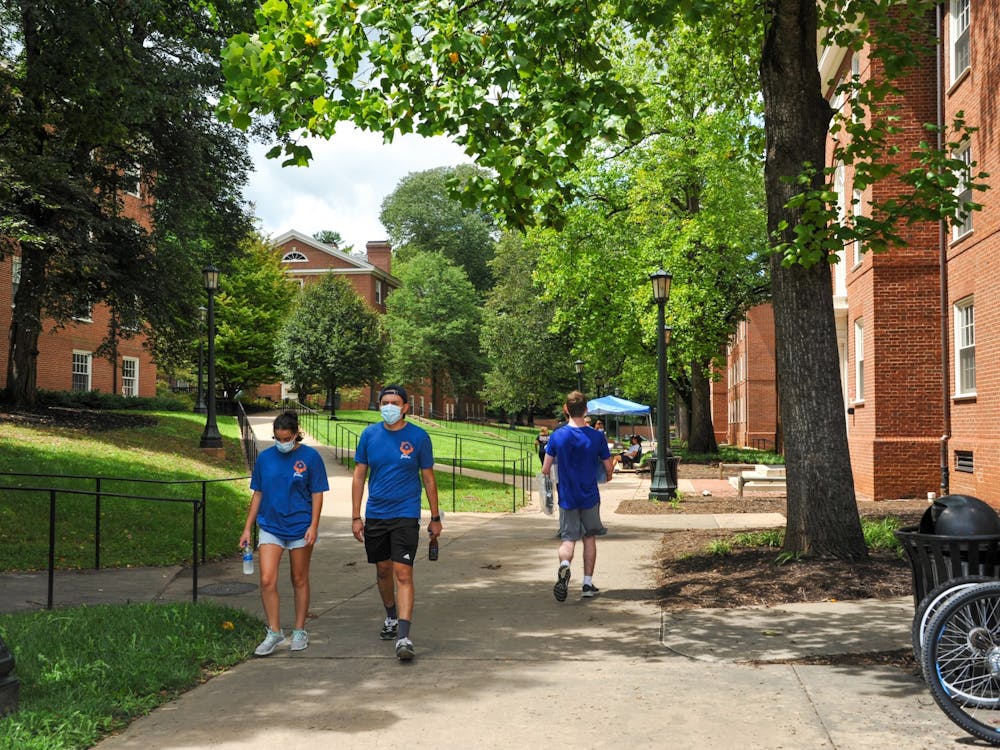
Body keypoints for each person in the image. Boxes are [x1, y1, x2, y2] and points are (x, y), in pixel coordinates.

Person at [352, 384, 443, 661]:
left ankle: (404, 636)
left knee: (403, 573)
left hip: (405, 513)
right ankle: (391, 615)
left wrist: (435, 518)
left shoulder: (418, 437)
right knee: (383, 570)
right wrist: (356, 516)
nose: (388, 406)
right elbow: (358, 476)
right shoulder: (369, 435)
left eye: (394, 402)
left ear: (405, 407)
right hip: (376, 513)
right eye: (384, 402)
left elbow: (428, 478)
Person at [240, 411, 329, 656]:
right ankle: (275, 631)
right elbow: (257, 493)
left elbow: (317, 493)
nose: (282, 443)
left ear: (296, 433)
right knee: (267, 580)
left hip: (300, 526)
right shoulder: (265, 458)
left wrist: (314, 525)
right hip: (270, 525)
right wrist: (248, 527)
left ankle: (299, 629)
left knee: (299, 578)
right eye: (278, 439)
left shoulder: (310, 457)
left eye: (287, 438)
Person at [542, 390, 613, 601]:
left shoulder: (557, 436)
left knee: (568, 539)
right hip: (589, 495)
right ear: (586, 410)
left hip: (567, 496)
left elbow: (546, 468)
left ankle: (564, 566)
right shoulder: (596, 436)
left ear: (566, 409)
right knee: (589, 537)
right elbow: (608, 466)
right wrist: (607, 472)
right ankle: (587, 584)